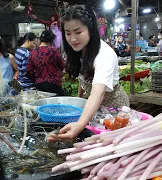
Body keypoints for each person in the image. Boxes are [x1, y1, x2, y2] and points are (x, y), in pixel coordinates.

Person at [48, 5, 129, 142]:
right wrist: (79, 100)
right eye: (68, 33)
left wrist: (80, 124)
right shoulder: (80, 49)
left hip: (113, 107)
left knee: (109, 144)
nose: (73, 39)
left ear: (90, 30)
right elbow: (84, 78)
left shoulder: (104, 55)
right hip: (92, 106)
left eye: (78, 32)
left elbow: (98, 92)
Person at [27, 30, 64, 95]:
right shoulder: (54, 51)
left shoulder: (33, 53)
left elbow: (29, 71)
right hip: (54, 84)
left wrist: (37, 79)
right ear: (51, 41)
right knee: (55, 104)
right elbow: (62, 66)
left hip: (39, 85)